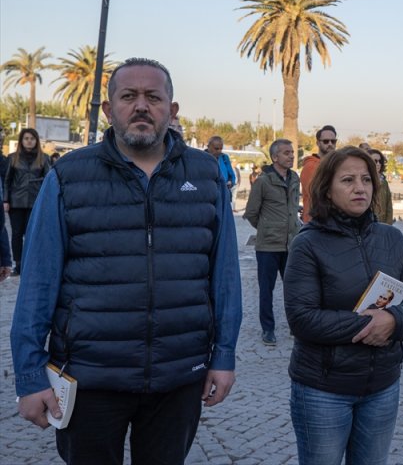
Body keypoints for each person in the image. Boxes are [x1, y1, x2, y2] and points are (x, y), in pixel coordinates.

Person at [11, 57, 242, 464]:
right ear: (108, 109)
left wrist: (222, 356)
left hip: (178, 376)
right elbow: (38, 283)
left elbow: (224, 277)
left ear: (172, 110)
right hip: (90, 379)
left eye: (153, 97)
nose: (141, 106)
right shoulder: (68, 176)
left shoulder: (206, 176)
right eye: (128, 96)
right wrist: (30, 376)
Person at [284, 146, 403, 465]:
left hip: (383, 386)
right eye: (347, 180)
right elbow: (302, 318)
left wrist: (395, 320)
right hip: (323, 389)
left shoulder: (392, 239)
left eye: (366, 179)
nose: (359, 187)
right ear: (327, 191)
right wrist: (372, 325)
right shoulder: (307, 244)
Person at [244, 138, 300, 345]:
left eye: (292, 152)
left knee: (293, 288)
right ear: (275, 157)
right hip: (268, 246)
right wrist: (267, 228)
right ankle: (268, 329)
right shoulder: (263, 181)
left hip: (290, 245)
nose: (291, 156)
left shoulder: (295, 178)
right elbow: (251, 213)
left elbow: (294, 208)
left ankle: (296, 326)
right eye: (286, 153)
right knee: (266, 290)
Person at [3, 127, 51, 276]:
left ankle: (31, 264)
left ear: (36, 141)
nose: (29, 141)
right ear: (21, 141)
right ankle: (18, 265)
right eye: (26, 138)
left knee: (32, 234)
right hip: (16, 202)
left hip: (35, 202)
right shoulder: (12, 158)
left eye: (32, 138)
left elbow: (49, 180)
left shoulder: (44, 158)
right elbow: (7, 181)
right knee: (16, 234)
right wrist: (5, 200)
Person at [300, 125, 337, 223]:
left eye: (333, 141)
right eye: (325, 141)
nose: (330, 144)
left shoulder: (335, 164)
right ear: (318, 143)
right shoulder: (311, 166)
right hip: (315, 221)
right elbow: (316, 193)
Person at [368, 148, 394, 225]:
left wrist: (389, 224)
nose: (378, 164)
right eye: (375, 161)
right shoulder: (364, 181)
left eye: (380, 161)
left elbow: (389, 205)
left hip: (383, 224)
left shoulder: (384, 182)